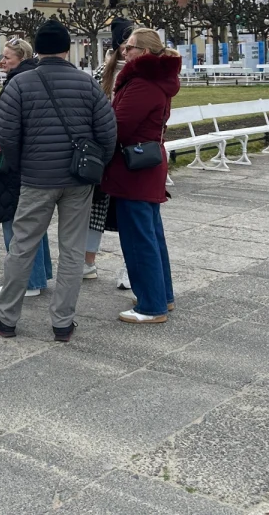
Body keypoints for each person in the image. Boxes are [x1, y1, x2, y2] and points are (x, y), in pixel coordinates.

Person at [0, 19, 116, 341]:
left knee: (22, 247)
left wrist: (23, 166)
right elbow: (107, 132)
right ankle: (63, 321)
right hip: (78, 179)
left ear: (37, 50)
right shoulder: (87, 83)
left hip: (36, 178)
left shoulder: (19, 84)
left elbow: (5, 136)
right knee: (72, 250)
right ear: (66, 49)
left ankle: (6, 317)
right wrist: (95, 165)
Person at [101, 27, 181, 324]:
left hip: (133, 168)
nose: (124, 51)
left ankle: (151, 306)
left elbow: (119, 127)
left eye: (130, 47)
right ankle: (161, 295)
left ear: (145, 52)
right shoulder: (156, 79)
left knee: (138, 240)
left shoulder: (142, 83)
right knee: (151, 235)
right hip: (146, 164)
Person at [0, 37, 51, 298]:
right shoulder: (36, 77)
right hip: (34, 160)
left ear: (21, 58)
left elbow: (10, 129)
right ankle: (40, 275)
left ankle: (27, 282)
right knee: (34, 224)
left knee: (14, 225)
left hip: (13, 163)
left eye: (7, 57)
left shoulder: (16, 82)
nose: (2, 61)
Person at [87, 18, 133, 288]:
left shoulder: (142, 73)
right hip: (105, 150)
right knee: (95, 208)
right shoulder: (103, 71)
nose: (129, 50)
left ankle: (130, 267)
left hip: (130, 151)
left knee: (130, 212)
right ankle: (87, 262)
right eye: (126, 44)